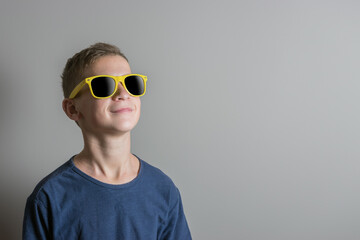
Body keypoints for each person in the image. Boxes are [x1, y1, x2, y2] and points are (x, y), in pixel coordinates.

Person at [22, 42, 192, 239]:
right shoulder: (49, 197)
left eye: (131, 83)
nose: (122, 93)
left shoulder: (163, 189)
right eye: (104, 86)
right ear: (72, 109)